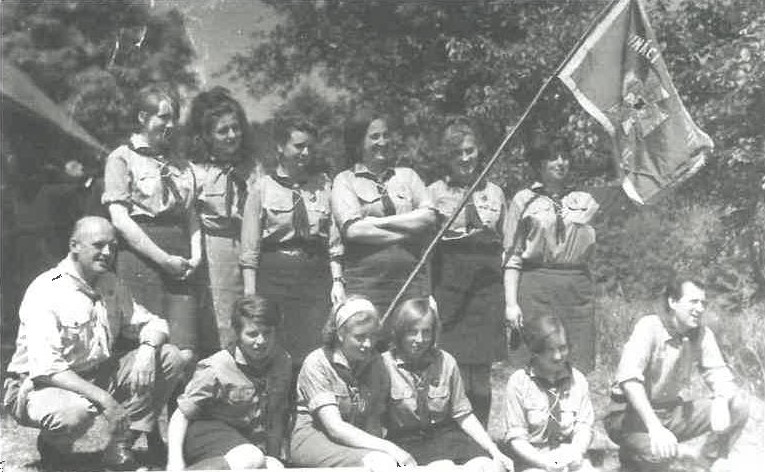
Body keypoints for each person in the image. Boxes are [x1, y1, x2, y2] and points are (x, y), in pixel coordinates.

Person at [2, 217, 184, 470]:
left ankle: (120, 445)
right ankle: (54, 446)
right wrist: (106, 401)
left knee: (168, 357)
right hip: (40, 384)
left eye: (113, 246)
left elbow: (152, 323)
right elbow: (47, 369)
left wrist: (147, 350)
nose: (107, 253)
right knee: (72, 414)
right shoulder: (47, 288)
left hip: (95, 373)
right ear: (74, 246)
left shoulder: (110, 282)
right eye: (98, 245)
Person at [604, 275, 750, 472]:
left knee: (738, 404)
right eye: (693, 302)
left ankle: (704, 464)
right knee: (659, 455)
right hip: (630, 416)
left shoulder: (702, 334)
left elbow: (720, 375)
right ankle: (632, 456)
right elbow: (629, 381)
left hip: (671, 413)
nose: (700, 308)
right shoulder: (650, 326)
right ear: (673, 302)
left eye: (703, 303)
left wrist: (722, 399)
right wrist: (655, 428)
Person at [102, 84, 202, 370]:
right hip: (141, 259)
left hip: (181, 262)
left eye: (174, 118)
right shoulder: (121, 158)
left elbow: (191, 214)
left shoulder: (181, 164)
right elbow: (120, 219)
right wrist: (163, 259)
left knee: (185, 352)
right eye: (163, 117)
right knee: (145, 348)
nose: (171, 125)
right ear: (142, 118)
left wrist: (196, 256)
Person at [240, 117, 344, 364]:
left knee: (315, 348)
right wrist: (250, 293)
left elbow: (334, 242)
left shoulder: (324, 186)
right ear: (280, 146)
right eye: (299, 146)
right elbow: (250, 249)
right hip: (275, 277)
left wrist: (337, 281)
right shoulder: (262, 188)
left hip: (314, 277)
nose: (305, 153)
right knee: (277, 349)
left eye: (310, 147)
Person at [428, 119, 507, 424]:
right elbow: (426, 250)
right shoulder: (433, 192)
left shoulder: (495, 193)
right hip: (450, 287)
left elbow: (504, 243)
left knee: (482, 374)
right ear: (446, 156)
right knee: (455, 369)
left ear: (479, 151)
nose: (465, 158)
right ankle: (454, 436)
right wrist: (428, 294)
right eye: (457, 153)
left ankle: (481, 437)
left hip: (486, 290)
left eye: (470, 151)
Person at [383, 298, 515, 472]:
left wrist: (493, 450)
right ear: (400, 332)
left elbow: (463, 414)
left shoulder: (446, 361)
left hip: (445, 438)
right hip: (405, 442)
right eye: (412, 332)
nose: (420, 339)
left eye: (426, 332)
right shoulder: (383, 365)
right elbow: (374, 420)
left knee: (488, 466)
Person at [502, 138, 599, 373]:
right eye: (553, 157)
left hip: (575, 289)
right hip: (536, 287)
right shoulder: (523, 200)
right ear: (539, 164)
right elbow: (512, 256)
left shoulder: (585, 199)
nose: (560, 162)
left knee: (576, 360)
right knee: (535, 358)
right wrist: (511, 304)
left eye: (565, 156)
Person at [331, 110, 437, 320]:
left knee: (410, 335)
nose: (383, 142)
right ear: (359, 143)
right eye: (374, 137)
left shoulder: (408, 176)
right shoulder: (345, 180)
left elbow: (429, 217)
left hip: (411, 279)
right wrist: (409, 233)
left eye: (386, 135)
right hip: (365, 282)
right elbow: (354, 230)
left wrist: (377, 222)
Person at [289, 296, 415, 469]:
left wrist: (386, 451)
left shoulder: (376, 364)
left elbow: (373, 422)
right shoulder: (318, 363)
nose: (368, 344)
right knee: (379, 460)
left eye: (373, 336)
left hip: (352, 443)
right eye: (360, 337)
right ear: (340, 334)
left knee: (389, 461)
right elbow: (334, 427)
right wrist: (389, 448)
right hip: (314, 440)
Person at [167, 296, 291, 470]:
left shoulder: (282, 362)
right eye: (252, 334)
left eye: (267, 333)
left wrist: (273, 455)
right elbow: (181, 414)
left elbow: (275, 416)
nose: (261, 341)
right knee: (251, 457)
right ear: (237, 334)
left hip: (243, 441)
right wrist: (174, 462)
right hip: (205, 434)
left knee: (274, 466)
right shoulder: (217, 366)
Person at [187, 87, 256, 351]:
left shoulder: (253, 168)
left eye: (236, 128)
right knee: (219, 320)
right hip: (213, 253)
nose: (232, 136)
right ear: (207, 136)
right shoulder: (196, 172)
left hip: (247, 250)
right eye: (222, 131)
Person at [501, 314, 595, 472]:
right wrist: (546, 463)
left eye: (562, 348)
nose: (558, 356)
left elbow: (584, 427)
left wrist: (576, 452)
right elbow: (516, 437)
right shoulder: (518, 383)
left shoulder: (578, 380)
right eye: (550, 350)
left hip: (570, 458)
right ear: (535, 351)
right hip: (534, 462)